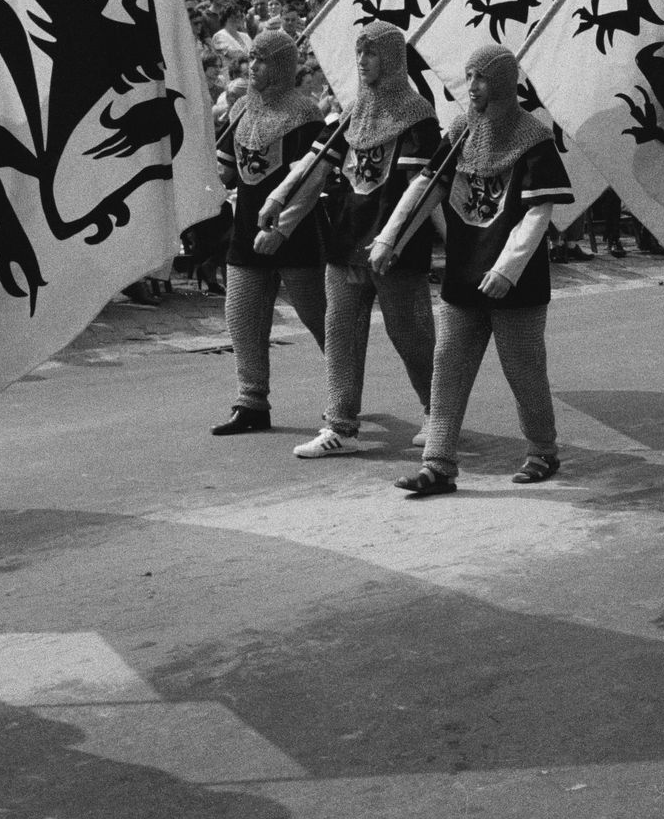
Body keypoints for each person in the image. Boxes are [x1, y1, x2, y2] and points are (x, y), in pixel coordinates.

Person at [375, 44, 573, 496]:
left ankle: (543, 450)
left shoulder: (532, 136)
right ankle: (438, 464)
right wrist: (391, 239)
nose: (474, 88)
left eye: (481, 78)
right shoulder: (462, 131)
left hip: (513, 282)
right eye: (469, 78)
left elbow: (538, 211)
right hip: (463, 273)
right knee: (447, 366)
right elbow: (426, 187)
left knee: (523, 369)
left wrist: (508, 268)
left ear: (501, 83)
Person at [262, 26, 440, 458]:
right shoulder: (353, 112)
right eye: (358, 51)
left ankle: (439, 413)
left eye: (371, 53)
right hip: (344, 241)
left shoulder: (417, 116)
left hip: (392, 246)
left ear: (393, 60)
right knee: (340, 331)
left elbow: (422, 188)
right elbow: (313, 165)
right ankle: (342, 426)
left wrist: (394, 238)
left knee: (410, 333)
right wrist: (278, 202)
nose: (362, 60)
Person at [210, 28, 329, 435]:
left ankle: (343, 398)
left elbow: (308, 179)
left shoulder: (305, 113)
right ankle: (252, 403)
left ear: (280, 65)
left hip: (294, 232)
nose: (252, 67)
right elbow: (226, 166)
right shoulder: (242, 107)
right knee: (241, 317)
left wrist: (281, 226)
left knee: (320, 320)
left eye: (261, 60)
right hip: (245, 229)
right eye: (251, 59)